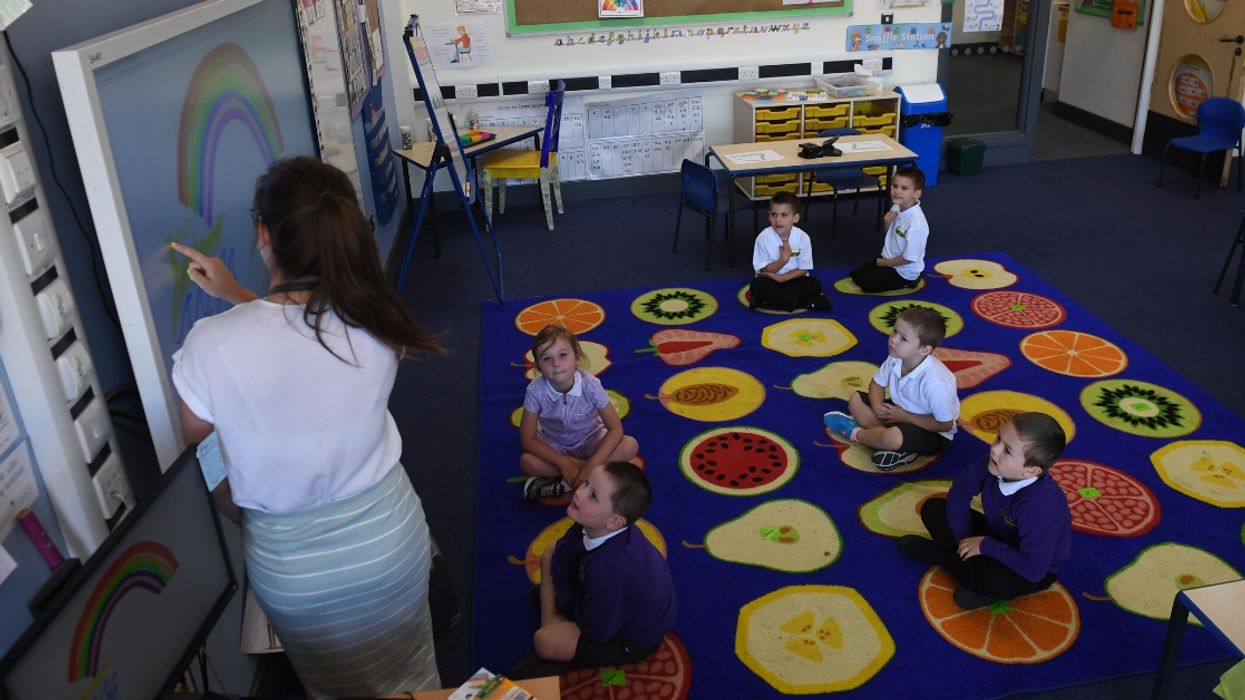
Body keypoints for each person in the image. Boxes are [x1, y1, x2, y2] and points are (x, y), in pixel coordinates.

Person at [170, 156, 443, 698]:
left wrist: (242, 515)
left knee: (332, 689)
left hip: (291, 564)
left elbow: (202, 446)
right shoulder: (377, 317)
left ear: (262, 233)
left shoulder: (210, 343)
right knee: (416, 680)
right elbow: (304, 337)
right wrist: (242, 299)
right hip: (390, 540)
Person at [896, 413, 1072, 609]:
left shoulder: (1040, 506)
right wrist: (965, 540)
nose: (994, 449)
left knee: (992, 579)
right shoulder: (994, 464)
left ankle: (943, 558)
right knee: (934, 508)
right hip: (997, 534)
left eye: (1007, 450)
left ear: (1031, 471)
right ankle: (969, 572)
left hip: (1031, 566)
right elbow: (960, 493)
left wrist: (984, 545)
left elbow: (1033, 568)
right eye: (998, 438)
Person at [531, 462, 676, 672]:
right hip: (603, 602)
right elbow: (563, 554)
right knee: (550, 553)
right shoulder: (593, 523)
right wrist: (565, 600)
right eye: (587, 484)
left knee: (545, 641)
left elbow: (600, 630)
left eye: (593, 496)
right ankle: (554, 617)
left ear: (614, 522)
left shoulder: (612, 570)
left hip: (630, 638)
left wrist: (564, 602)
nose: (580, 493)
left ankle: (552, 619)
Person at [822, 306, 958, 470]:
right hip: (899, 413)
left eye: (903, 339)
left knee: (893, 438)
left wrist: (905, 417)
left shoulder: (936, 383)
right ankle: (889, 444)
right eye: (894, 332)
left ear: (925, 349)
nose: (893, 340)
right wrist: (877, 406)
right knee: (856, 400)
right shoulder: (896, 357)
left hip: (932, 432)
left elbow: (945, 425)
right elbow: (876, 384)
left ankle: (855, 433)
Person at [519, 325, 638, 500]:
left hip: (592, 440)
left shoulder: (591, 385)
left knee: (630, 445)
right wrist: (564, 463)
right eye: (546, 358)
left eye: (563, 355)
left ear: (577, 357)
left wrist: (590, 465)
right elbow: (527, 439)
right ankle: (592, 478)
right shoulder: (535, 392)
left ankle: (568, 483)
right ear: (537, 366)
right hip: (556, 447)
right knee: (527, 462)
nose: (556, 364)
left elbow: (615, 429)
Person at [749, 190, 833, 312]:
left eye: (784, 215)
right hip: (770, 280)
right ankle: (805, 302)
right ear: (769, 215)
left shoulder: (803, 238)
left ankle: (767, 300)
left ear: (795, 218)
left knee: (815, 284)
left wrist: (783, 278)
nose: (778, 220)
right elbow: (762, 272)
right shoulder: (763, 238)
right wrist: (782, 260)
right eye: (774, 214)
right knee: (757, 285)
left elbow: (803, 269)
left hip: (794, 279)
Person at [848, 166, 928, 293]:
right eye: (895, 186)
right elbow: (890, 234)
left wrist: (885, 263)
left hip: (903, 271)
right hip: (888, 257)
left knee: (866, 285)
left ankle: (911, 282)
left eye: (904, 188)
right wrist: (887, 223)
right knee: (855, 275)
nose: (897, 191)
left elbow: (909, 258)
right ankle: (882, 269)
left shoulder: (916, 223)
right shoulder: (897, 206)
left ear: (917, 193)